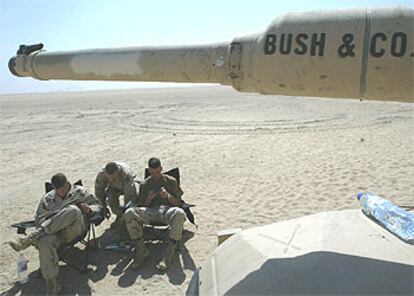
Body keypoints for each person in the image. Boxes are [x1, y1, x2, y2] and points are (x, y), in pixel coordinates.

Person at [8, 173, 103, 295]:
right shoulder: (48, 198)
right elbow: (38, 219)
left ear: (68, 183)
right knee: (44, 242)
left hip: (74, 231)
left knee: (72, 210)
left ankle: (28, 239)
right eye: (58, 190)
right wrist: (51, 219)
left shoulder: (80, 192)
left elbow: (98, 207)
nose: (61, 193)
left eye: (63, 189)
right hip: (54, 234)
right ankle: (52, 284)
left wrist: (89, 209)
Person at [124, 157, 186, 271]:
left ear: (161, 169)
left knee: (180, 213)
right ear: (149, 171)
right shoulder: (145, 184)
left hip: (168, 211)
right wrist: (148, 198)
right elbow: (142, 206)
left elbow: (178, 203)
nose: (155, 175)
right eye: (152, 173)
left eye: (157, 172)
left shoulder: (171, 181)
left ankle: (168, 254)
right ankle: (141, 251)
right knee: (129, 213)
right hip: (151, 212)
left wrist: (168, 196)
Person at [94, 161, 138, 228]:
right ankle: (119, 215)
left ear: (118, 172)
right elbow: (99, 191)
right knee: (111, 199)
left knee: (135, 200)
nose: (111, 180)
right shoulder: (102, 174)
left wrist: (127, 214)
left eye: (113, 178)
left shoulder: (126, 174)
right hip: (114, 187)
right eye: (109, 178)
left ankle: (129, 218)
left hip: (130, 185)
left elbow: (130, 198)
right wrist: (103, 207)